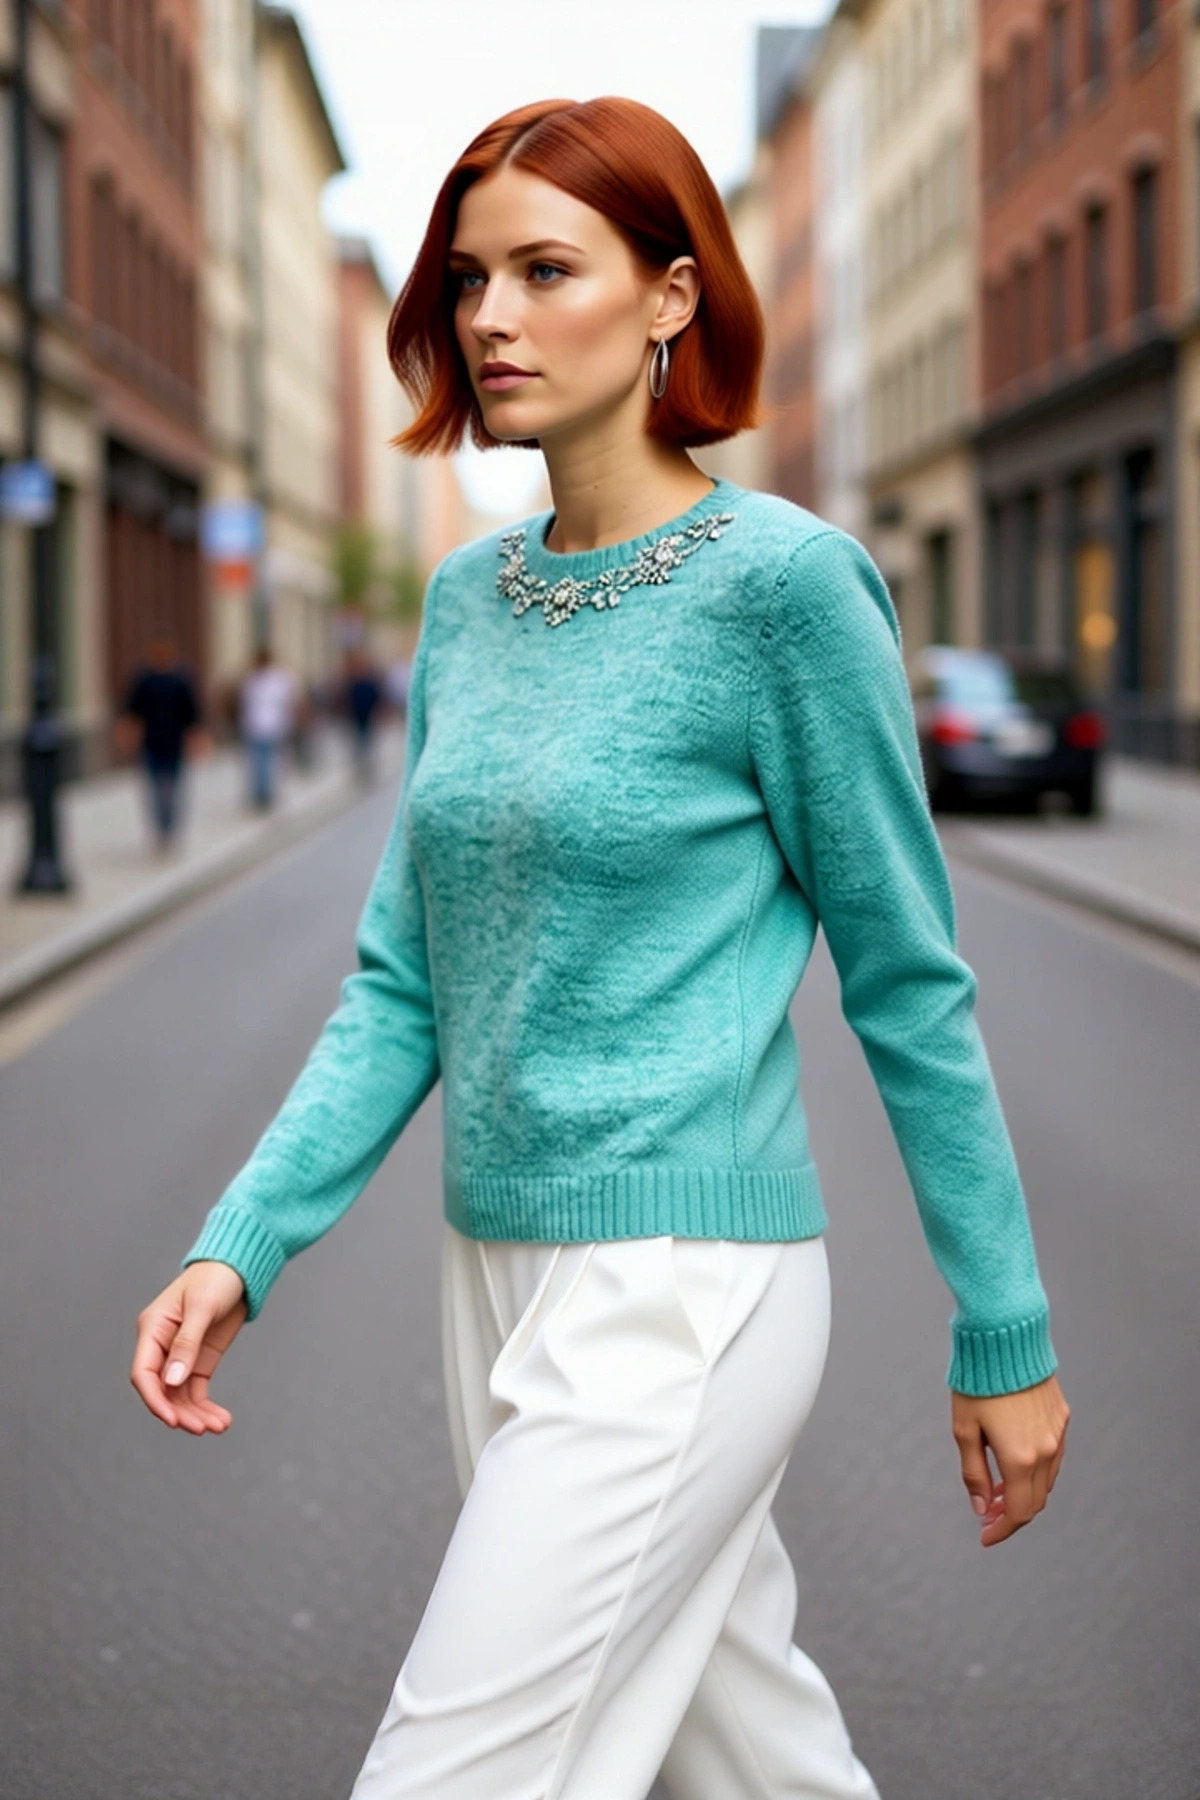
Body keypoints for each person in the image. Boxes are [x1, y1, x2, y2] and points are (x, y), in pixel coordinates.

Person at [131, 98, 1070, 1799]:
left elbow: (908, 983)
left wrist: (1002, 1323)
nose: (489, 317)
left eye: (545, 270)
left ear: (670, 297)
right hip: (492, 1264)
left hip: (680, 1285)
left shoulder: (787, 590)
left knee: (452, 1769)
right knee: (748, 1750)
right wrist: (247, 1237)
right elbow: (404, 980)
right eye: (467, 277)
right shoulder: (467, 603)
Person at [118, 632, 206, 853]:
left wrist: (196, 739)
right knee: (154, 789)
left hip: (175, 743)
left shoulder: (180, 680)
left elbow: (192, 713)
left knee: (173, 788)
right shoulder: (144, 680)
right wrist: (128, 737)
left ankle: (169, 827)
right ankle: (161, 829)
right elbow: (131, 711)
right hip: (151, 743)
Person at [238, 646, 296, 811]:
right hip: (257, 726)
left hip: (271, 725)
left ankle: (264, 792)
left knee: (265, 761)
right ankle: (262, 792)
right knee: (260, 761)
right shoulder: (252, 679)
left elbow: (286, 702)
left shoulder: (277, 679)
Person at [342, 647, 384, 785]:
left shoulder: (369, 681)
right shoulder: (350, 681)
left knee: (367, 743)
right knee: (357, 744)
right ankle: (360, 769)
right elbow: (345, 699)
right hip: (355, 718)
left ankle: (367, 768)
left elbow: (376, 697)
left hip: (368, 717)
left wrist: (378, 711)